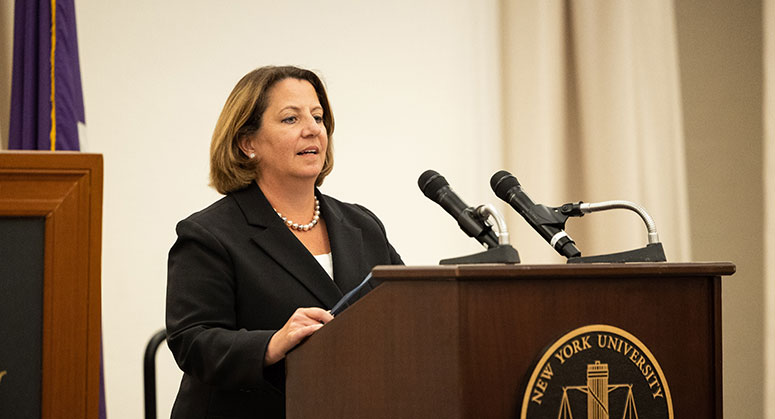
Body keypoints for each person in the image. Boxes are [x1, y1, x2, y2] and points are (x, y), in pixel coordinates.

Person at [166, 65, 403, 418]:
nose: (312, 130)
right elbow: (192, 341)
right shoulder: (209, 234)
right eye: (291, 119)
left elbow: (406, 311)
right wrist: (272, 344)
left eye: (318, 117)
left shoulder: (362, 225)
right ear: (248, 143)